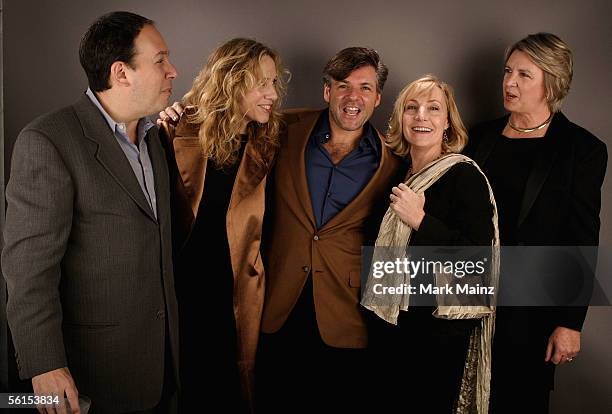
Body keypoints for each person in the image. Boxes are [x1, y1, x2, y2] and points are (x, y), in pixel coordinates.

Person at [2, 11, 179, 414]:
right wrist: (44, 363)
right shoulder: (49, 141)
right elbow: (28, 270)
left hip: (160, 370)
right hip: (91, 378)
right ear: (121, 72)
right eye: (160, 60)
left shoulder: (154, 140)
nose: (173, 70)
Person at [256, 47, 404, 412]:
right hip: (278, 302)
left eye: (365, 88)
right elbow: (227, 120)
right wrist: (181, 114)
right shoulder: (284, 129)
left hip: (346, 310)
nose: (353, 97)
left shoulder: (393, 163)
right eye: (344, 86)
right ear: (328, 92)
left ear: (377, 98)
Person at [465, 33, 607, 413]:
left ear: (552, 82)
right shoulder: (478, 138)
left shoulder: (583, 149)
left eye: (524, 75)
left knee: (519, 402)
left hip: (531, 315)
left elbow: (582, 238)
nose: (509, 83)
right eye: (508, 71)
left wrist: (570, 323)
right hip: (469, 304)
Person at [157, 38, 286, 413]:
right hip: (181, 293)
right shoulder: (176, 130)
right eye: (262, 83)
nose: (272, 94)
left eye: (274, 83)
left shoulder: (269, 141)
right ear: (231, 80)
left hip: (237, 293)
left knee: (231, 391)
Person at [361, 75, 499, 413]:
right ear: (400, 119)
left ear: (447, 123)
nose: (421, 116)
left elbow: (477, 261)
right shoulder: (393, 176)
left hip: (437, 336)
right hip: (391, 328)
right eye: (412, 108)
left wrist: (421, 221)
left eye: (433, 108)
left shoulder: (464, 176)